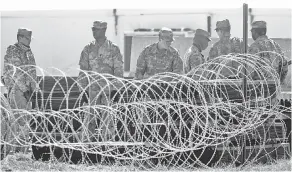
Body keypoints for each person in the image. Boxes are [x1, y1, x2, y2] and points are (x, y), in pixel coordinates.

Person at [77, 20, 123, 141]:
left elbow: (118, 71)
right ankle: (87, 146)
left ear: (103, 31)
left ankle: (107, 146)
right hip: (92, 89)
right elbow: (83, 71)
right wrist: (83, 90)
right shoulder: (88, 49)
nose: (93, 32)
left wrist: (116, 90)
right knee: (89, 119)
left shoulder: (113, 49)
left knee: (108, 120)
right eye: (93, 29)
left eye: (96, 30)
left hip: (108, 89)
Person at [3, 28, 37, 153]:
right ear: (20, 37)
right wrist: (24, 90)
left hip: (27, 91)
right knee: (19, 119)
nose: (29, 41)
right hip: (18, 90)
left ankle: (23, 149)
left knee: (26, 119)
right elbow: (15, 73)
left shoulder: (28, 52)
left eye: (30, 38)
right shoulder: (13, 50)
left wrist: (34, 89)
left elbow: (32, 72)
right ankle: (15, 150)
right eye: (27, 38)